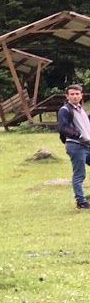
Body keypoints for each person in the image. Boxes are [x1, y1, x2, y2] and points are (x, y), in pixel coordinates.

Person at [57, 83, 90, 211]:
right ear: (67, 96)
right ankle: (81, 202)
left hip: (87, 145)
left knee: (79, 173)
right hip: (76, 145)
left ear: (81, 95)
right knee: (79, 174)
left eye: (77, 94)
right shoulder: (65, 110)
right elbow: (63, 127)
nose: (75, 96)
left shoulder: (81, 109)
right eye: (72, 94)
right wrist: (78, 135)